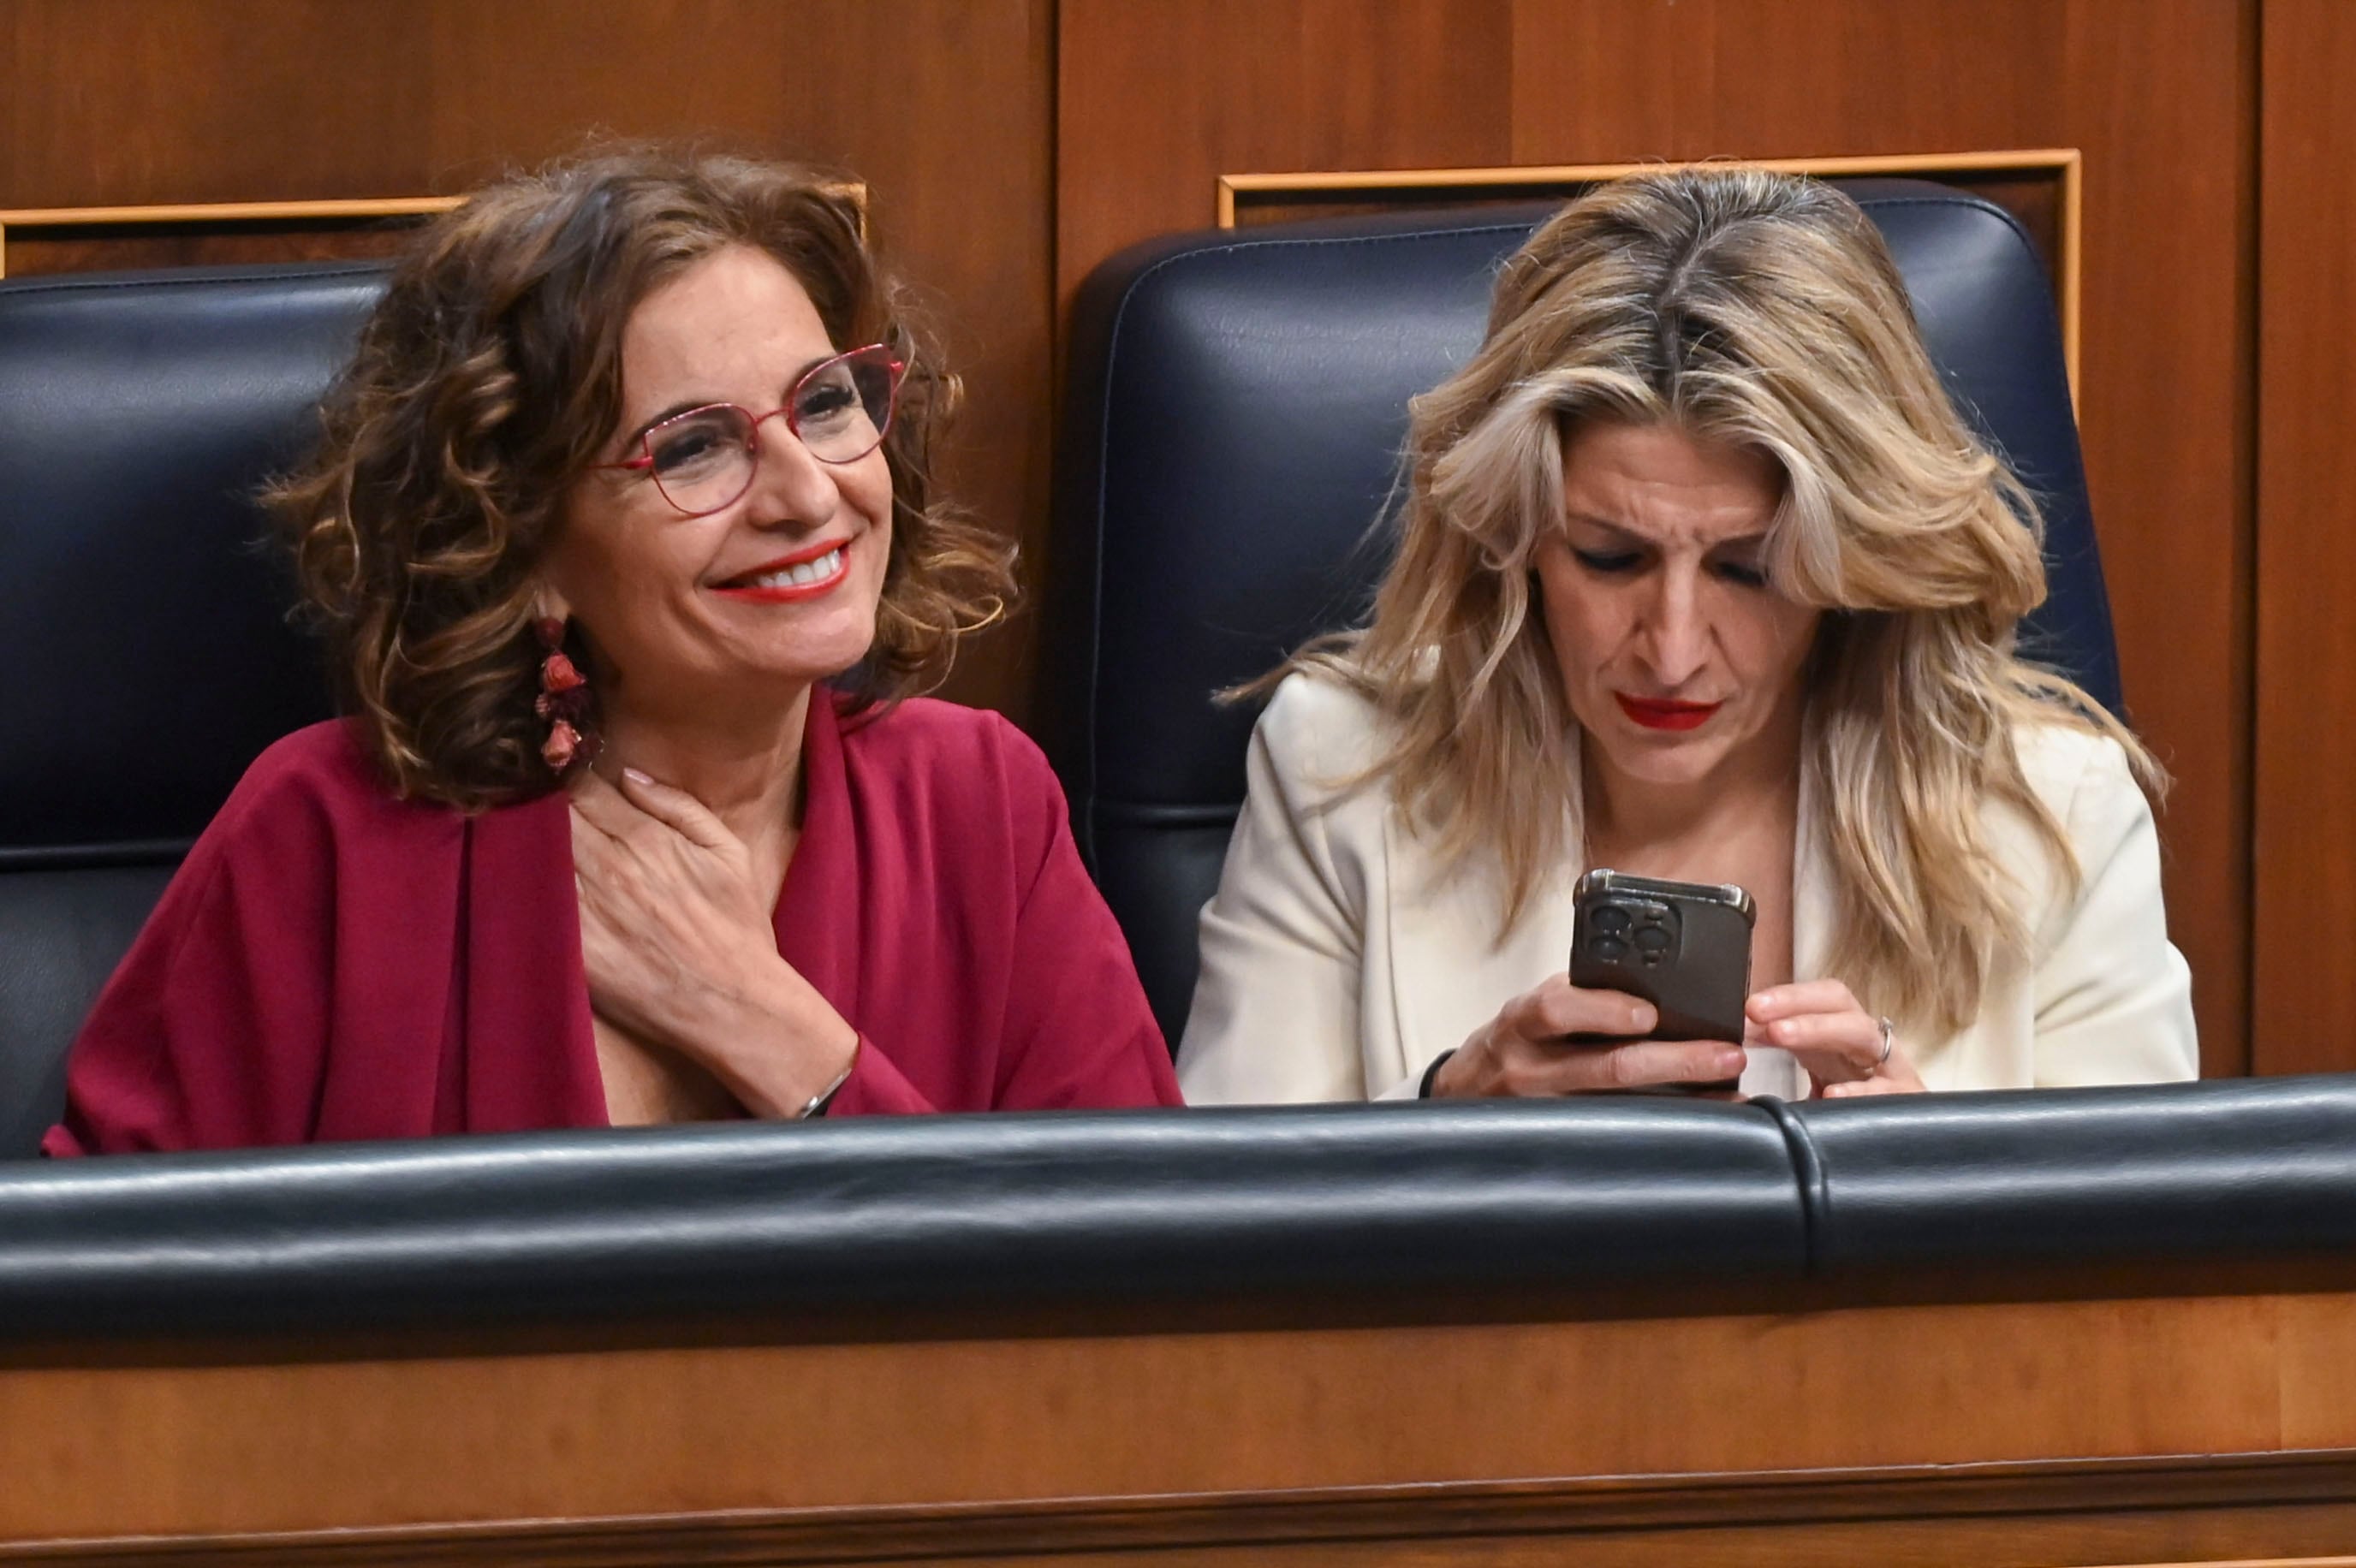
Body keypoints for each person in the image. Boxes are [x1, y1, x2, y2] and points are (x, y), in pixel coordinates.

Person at [46, 150, 1178, 1154]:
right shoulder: (326, 841)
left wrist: (779, 1040)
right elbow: (102, 1317)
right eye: (694, 448)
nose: (807, 493)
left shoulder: (978, 808)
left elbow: (1149, 1294)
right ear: (522, 536)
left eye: (823, 403)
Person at [1177, 168, 2197, 1105]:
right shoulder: (1338, 766)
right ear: (1518, 534)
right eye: (1610, 558)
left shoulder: (2059, 820)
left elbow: (2140, 1282)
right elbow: (1210, 1244)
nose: (1669, 650)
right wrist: (1443, 1124)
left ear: (1853, 562)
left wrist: (1929, 1197)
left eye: (1748, 570)